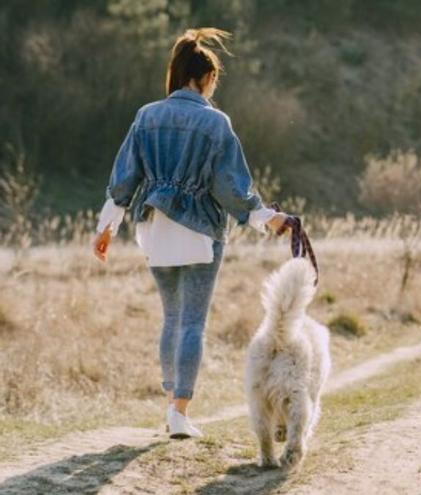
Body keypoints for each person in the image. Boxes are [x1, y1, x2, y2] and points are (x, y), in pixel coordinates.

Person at [91, 28, 289, 439]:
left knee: (171, 318)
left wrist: (106, 227)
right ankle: (179, 413)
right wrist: (266, 217)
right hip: (199, 230)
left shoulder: (147, 115)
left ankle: (171, 407)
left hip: (154, 226)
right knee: (193, 323)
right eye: (214, 80)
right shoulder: (215, 123)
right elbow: (231, 187)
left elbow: (124, 177)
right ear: (205, 78)